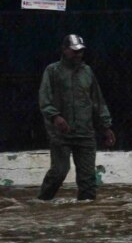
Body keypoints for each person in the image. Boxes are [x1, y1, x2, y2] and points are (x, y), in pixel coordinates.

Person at [37, 34, 116, 201]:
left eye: (81, 51)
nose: (78, 54)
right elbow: (44, 100)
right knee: (59, 172)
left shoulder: (87, 72)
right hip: (60, 134)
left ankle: (85, 215)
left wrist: (106, 126)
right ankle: (42, 203)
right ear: (65, 50)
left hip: (85, 133)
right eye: (74, 51)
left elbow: (97, 101)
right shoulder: (52, 71)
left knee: (88, 180)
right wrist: (56, 117)